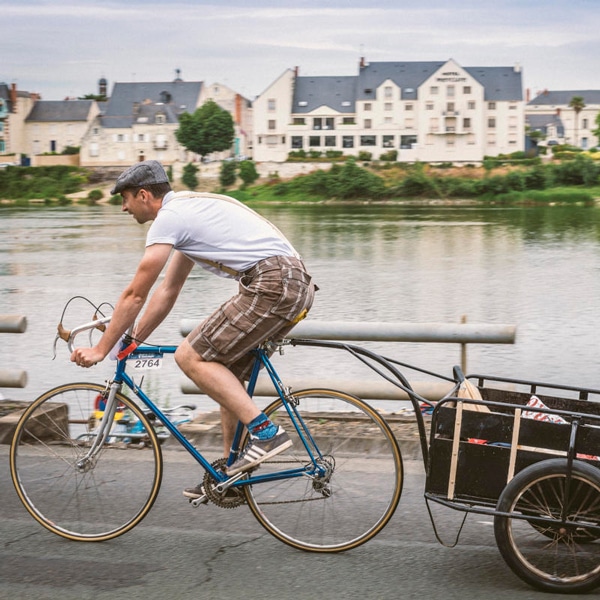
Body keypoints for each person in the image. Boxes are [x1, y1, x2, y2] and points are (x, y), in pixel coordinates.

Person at [71, 160, 316, 496]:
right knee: (225, 372)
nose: (123, 207)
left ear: (144, 195)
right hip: (294, 285)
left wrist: (101, 350)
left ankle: (266, 432)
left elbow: (135, 293)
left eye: (125, 199)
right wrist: (131, 338)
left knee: (189, 356)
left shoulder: (170, 218)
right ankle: (233, 476)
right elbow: (166, 292)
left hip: (272, 283)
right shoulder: (188, 213)